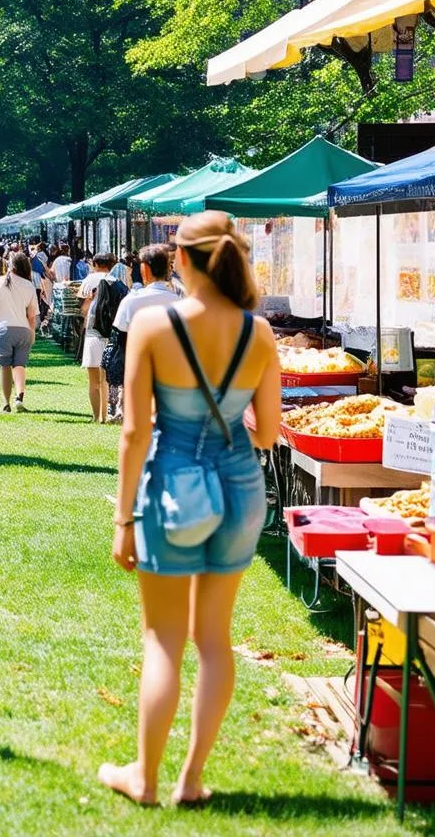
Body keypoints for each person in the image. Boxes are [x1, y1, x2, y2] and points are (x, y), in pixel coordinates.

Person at [99, 211, 280, 807]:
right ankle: (192, 778)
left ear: (180, 257)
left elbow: (133, 431)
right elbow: (268, 433)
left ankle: (146, 779)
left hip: (173, 485)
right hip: (239, 489)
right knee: (215, 640)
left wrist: (124, 520)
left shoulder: (154, 324)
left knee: (163, 641)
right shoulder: (258, 334)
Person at [106, 246, 178, 424]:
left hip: (138, 371)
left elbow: (119, 336)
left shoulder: (132, 301)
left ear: (144, 269)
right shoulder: (180, 303)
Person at [0, 252, 37, 414]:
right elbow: (31, 315)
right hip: (23, 330)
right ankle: (19, 397)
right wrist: (32, 332)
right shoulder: (28, 285)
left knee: (5, 367)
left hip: (2, 330)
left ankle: (6, 403)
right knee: (20, 365)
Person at [79, 253, 116, 423]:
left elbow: (83, 309)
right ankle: (106, 413)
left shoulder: (89, 280)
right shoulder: (115, 280)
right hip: (110, 333)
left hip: (93, 332)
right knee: (106, 379)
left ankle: (96, 417)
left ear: (94, 263)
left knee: (93, 381)